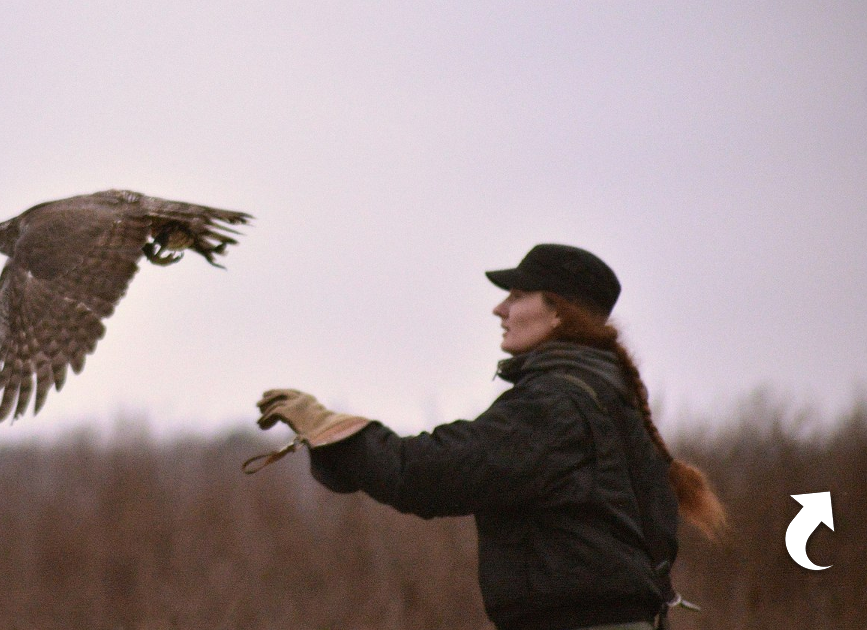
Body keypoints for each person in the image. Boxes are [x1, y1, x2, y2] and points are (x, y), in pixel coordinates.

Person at [254, 243, 726, 630]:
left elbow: (423, 474)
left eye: (518, 295)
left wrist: (330, 429)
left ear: (558, 312)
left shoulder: (556, 406)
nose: (499, 308)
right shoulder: (610, 400)